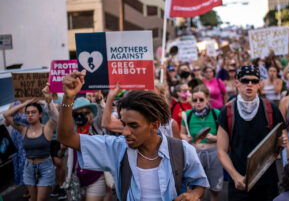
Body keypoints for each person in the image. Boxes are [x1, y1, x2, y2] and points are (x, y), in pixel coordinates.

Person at [58, 70, 209, 201]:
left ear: (154, 125)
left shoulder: (181, 149)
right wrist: (68, 98)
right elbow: (66, 138)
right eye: (124, 124)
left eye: (134, 126)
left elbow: (200, 183)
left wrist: (194, 194)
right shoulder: (116, 148)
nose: (125, 132)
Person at [216, 65, 289, 201]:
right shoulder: (227, 112)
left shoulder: (271, 108)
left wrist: (281, 143)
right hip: (240, 183)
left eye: (254, 81)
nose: (249, 84)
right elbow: (221, 150)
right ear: (237, 83)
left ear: (259, 85)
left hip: (268, 181)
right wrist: (235, 176)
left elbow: (282, 140)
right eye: (245, 80)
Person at [4, 86, 58, 201]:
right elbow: (7, 115)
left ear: (40, 115)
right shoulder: (23, 130)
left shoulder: (47, 128)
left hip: (45, 167)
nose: (29, 115)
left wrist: (47, 100)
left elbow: (56, 113)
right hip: (29, 168)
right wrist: (26, 103)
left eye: (33, 112)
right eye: (27, 113)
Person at [180, 85, 223, 201]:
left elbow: (224, 135)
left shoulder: (216, 113)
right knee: (197, 191)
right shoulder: (187, 115)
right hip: (195, 155)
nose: (198, 103)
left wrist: (215, 138)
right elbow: (181, 134)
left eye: (201, 99)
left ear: (207, 99)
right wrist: (185, 138)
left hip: (214, 154)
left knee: (215, 189)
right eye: (195, 100)